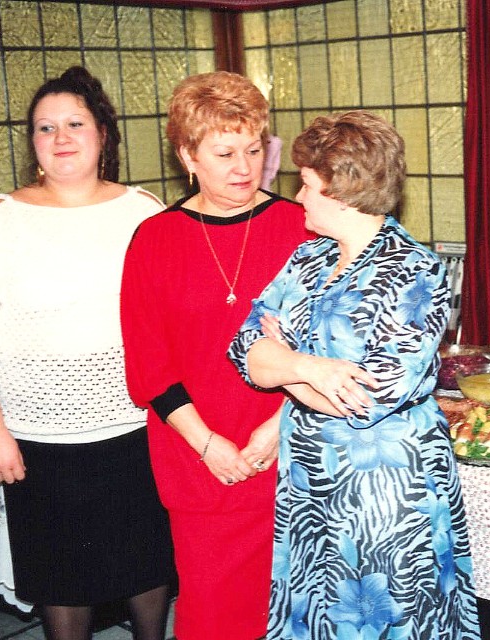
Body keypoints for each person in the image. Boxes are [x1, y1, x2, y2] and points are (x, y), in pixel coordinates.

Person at [0, 66, 173, 640]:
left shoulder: (145, 210)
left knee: (146, 563)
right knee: (61, 577)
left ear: (103, 134)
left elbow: (174, 320)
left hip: (138, 428)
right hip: (39, 441)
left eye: (75, 123)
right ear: (34, 143)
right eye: (46, 127)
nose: (61, 137)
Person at [228, 110, 481, 638]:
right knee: (317, 616)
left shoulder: (416, 271)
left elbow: (365, 399)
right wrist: (309, 367)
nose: (298, 196)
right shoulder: (308, 257)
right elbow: (243, 349)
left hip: (383, 487)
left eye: (307, 184)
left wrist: (283, 361)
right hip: (308, 478)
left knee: (386, 618)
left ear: (342, 192)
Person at [119, 71, 312, 640]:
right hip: (197, 456)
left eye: (254, 149)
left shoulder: (301, 227)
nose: (244, 167)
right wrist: (208, 444)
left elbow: (329, 344)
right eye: (224, 154)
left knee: (296, 607)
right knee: (214, 611)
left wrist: (277, 428)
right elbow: (148, 365)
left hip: (292, 445)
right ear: (188, 156)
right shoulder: (155, 239)